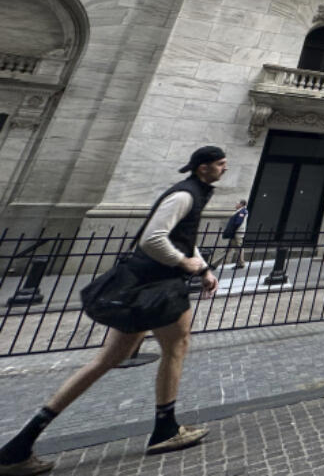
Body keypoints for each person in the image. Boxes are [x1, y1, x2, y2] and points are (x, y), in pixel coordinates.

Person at [0, 147, 225, 476]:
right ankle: (165, 428)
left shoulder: (193, 193)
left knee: (109, 360)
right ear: (203, 168)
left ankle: (20, 443)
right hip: (156, 287)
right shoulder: (184, 195)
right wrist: (185, 263)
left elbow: (183, 238)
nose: (224, 169)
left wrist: (203, 268)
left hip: (145, 286)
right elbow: (153, 239)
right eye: (220, 164)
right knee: (176, 347)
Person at [211, 199, 248, 270]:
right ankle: (214, 264)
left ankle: (214, 265)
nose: (236, 205)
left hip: (237, 234)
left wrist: (231, 231)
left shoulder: (242, 211)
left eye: (237, 203)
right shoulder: (240, 211)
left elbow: (238, 222)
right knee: (233, 249)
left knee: (236, 248)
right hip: (236, 233)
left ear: (241, 205)